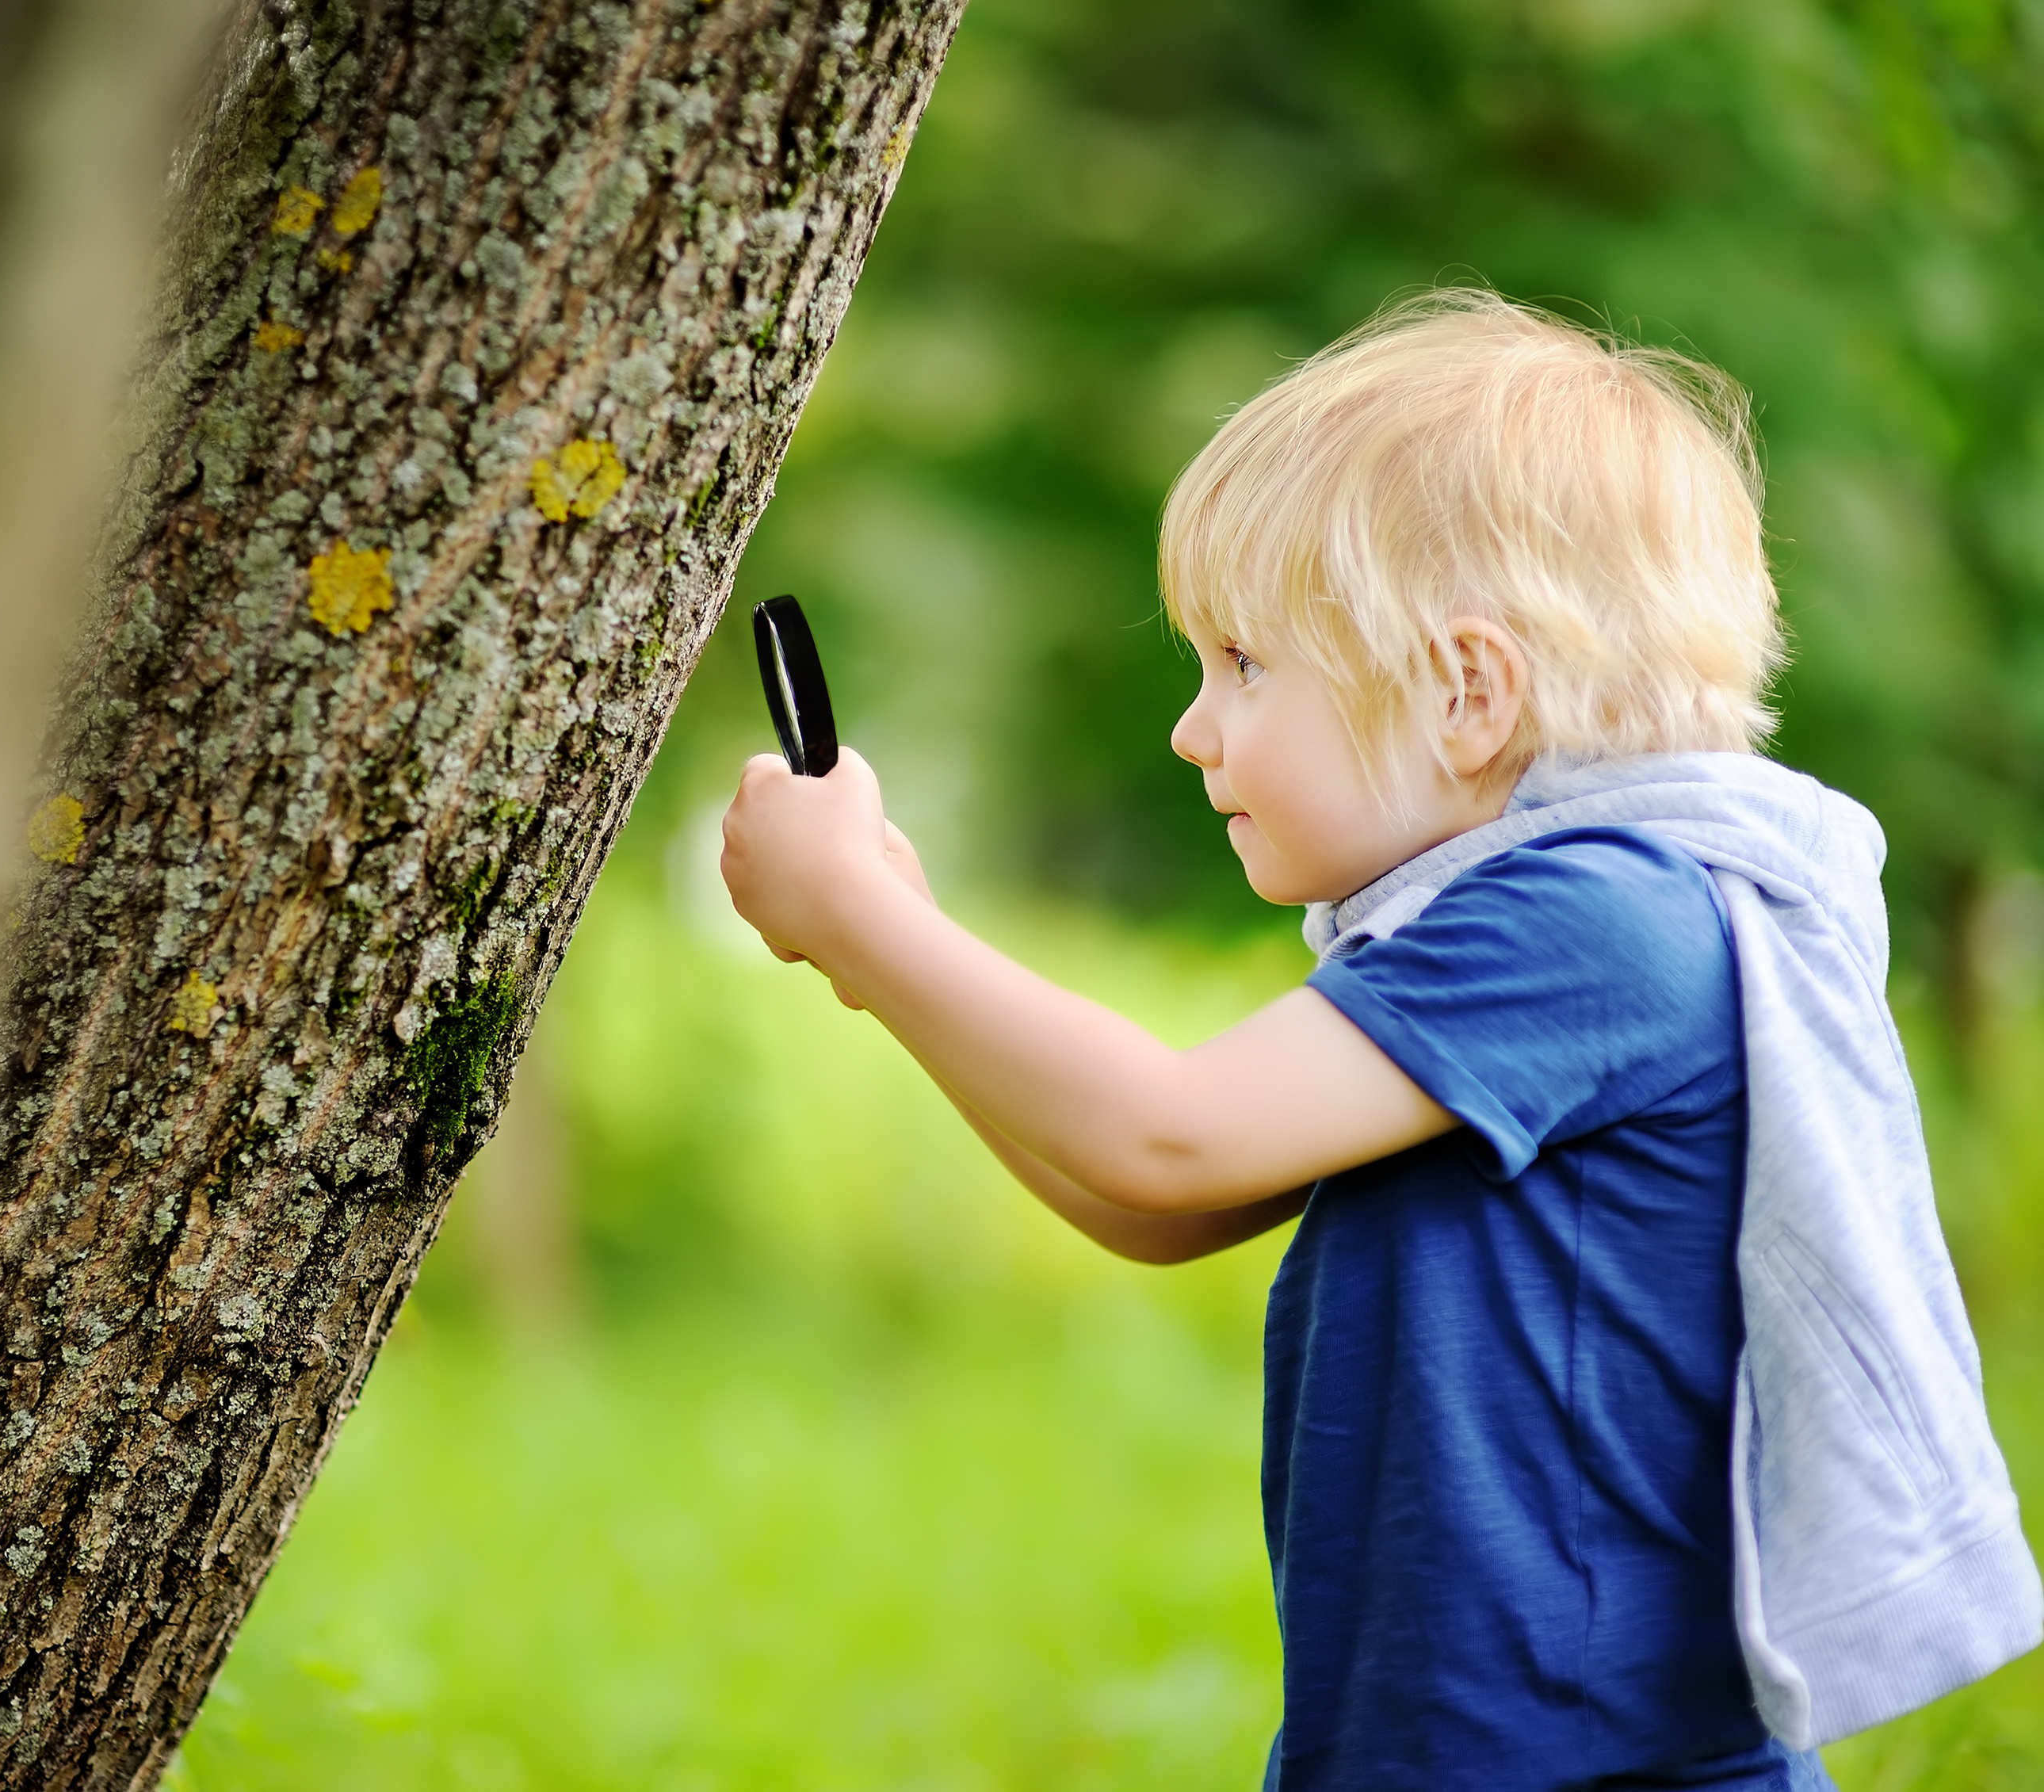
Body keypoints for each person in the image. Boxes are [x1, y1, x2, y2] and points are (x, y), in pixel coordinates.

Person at [717, 290, 2040, 1791]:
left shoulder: (1605, 920)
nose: (1193, 729)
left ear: (1468, 691)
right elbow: (1161, 1201)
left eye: (1242, 663)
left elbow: (1169, 1133)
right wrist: (890, 957)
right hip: (1435, 1746)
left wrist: (868, 928)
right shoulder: (1532, 926)